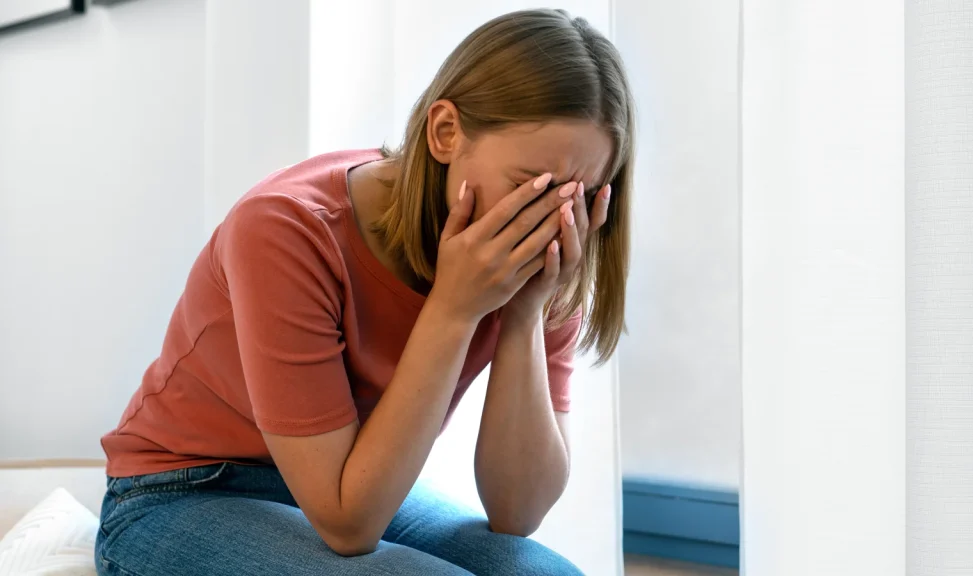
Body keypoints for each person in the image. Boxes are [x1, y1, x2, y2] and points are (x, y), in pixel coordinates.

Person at [94, 8, 634, 575]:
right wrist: (453, 309)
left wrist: (525, 314)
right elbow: (349, 524)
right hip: (184, 490)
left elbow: (517, 510)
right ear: (446, 133)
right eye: (532, 186)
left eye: (582, 193)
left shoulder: (549, 249)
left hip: (339, 480)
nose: (553, 218)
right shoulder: (286, 230)